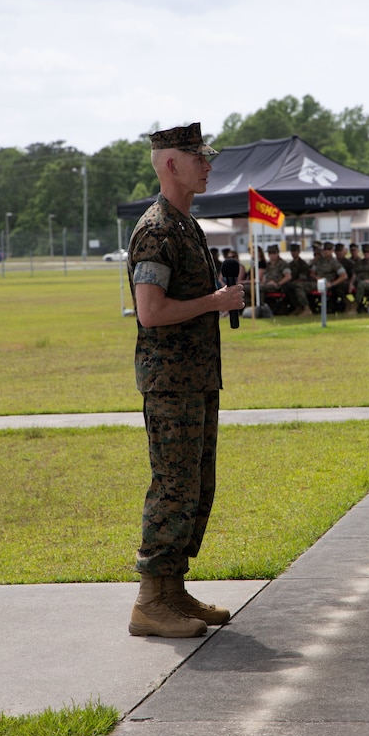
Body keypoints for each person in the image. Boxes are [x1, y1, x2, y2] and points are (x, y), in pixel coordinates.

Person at [126, 123, 245, 639]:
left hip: (196, 379)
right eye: (198, 157)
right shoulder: (156, 229)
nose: (208, 165)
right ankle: (150, 601)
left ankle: (173, 591)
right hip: (170, 383)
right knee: (173, 487)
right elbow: (149, 312)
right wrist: (216, 303)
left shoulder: (187, 226)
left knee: (196, 487)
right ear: (171, 164)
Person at [313, 241, 349, 310]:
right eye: (325, 249)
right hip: (315, 282)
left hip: (326, 283)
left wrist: (332, 284)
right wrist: (316, 277)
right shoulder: (318, 261)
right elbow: (312, 272)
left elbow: (344, 276)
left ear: (332, 250)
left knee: (298, 287)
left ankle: (306, 309)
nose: (326, 251)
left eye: (329, 249)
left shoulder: (335, 263)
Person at [287, 243, 316, 315]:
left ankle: (306, 308)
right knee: (286, 287)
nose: (293, 253)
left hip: (303, 284)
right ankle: (297, 308)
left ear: (299, 251)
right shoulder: (290, 265)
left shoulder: (303, 265)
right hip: (292, 283)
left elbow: (302, 278)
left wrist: (292, 282)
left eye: (295, 251)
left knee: (297, 286)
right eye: (292, 251)